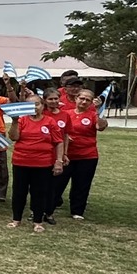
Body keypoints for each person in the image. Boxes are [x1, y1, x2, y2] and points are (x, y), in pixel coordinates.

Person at [7, 89, 67, 232]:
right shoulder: (21, 120)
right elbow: (13, 137)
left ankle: (38, 221)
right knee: (19, 192)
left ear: (42, 105)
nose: (34, 107)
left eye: (37, 104)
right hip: (21, 162)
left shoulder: (50, 121)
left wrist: (59, 161)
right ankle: (16, 219)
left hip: (42, 164)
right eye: (31, 105)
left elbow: (58, 142)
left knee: (39, 192)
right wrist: (14, 122)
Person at [52, 86, 108, 220]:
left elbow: (100, 127)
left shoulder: (93, 114)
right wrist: (65, 138)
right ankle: (49, 207)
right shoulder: (66, 113)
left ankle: (77, 211)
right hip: (66, 154)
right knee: (57, 182)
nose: (84, 102)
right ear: (76, 99)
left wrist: (98, 111)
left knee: (82, 184)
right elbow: (57, 129)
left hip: (87, 155)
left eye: (87, 100)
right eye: (82, 98)